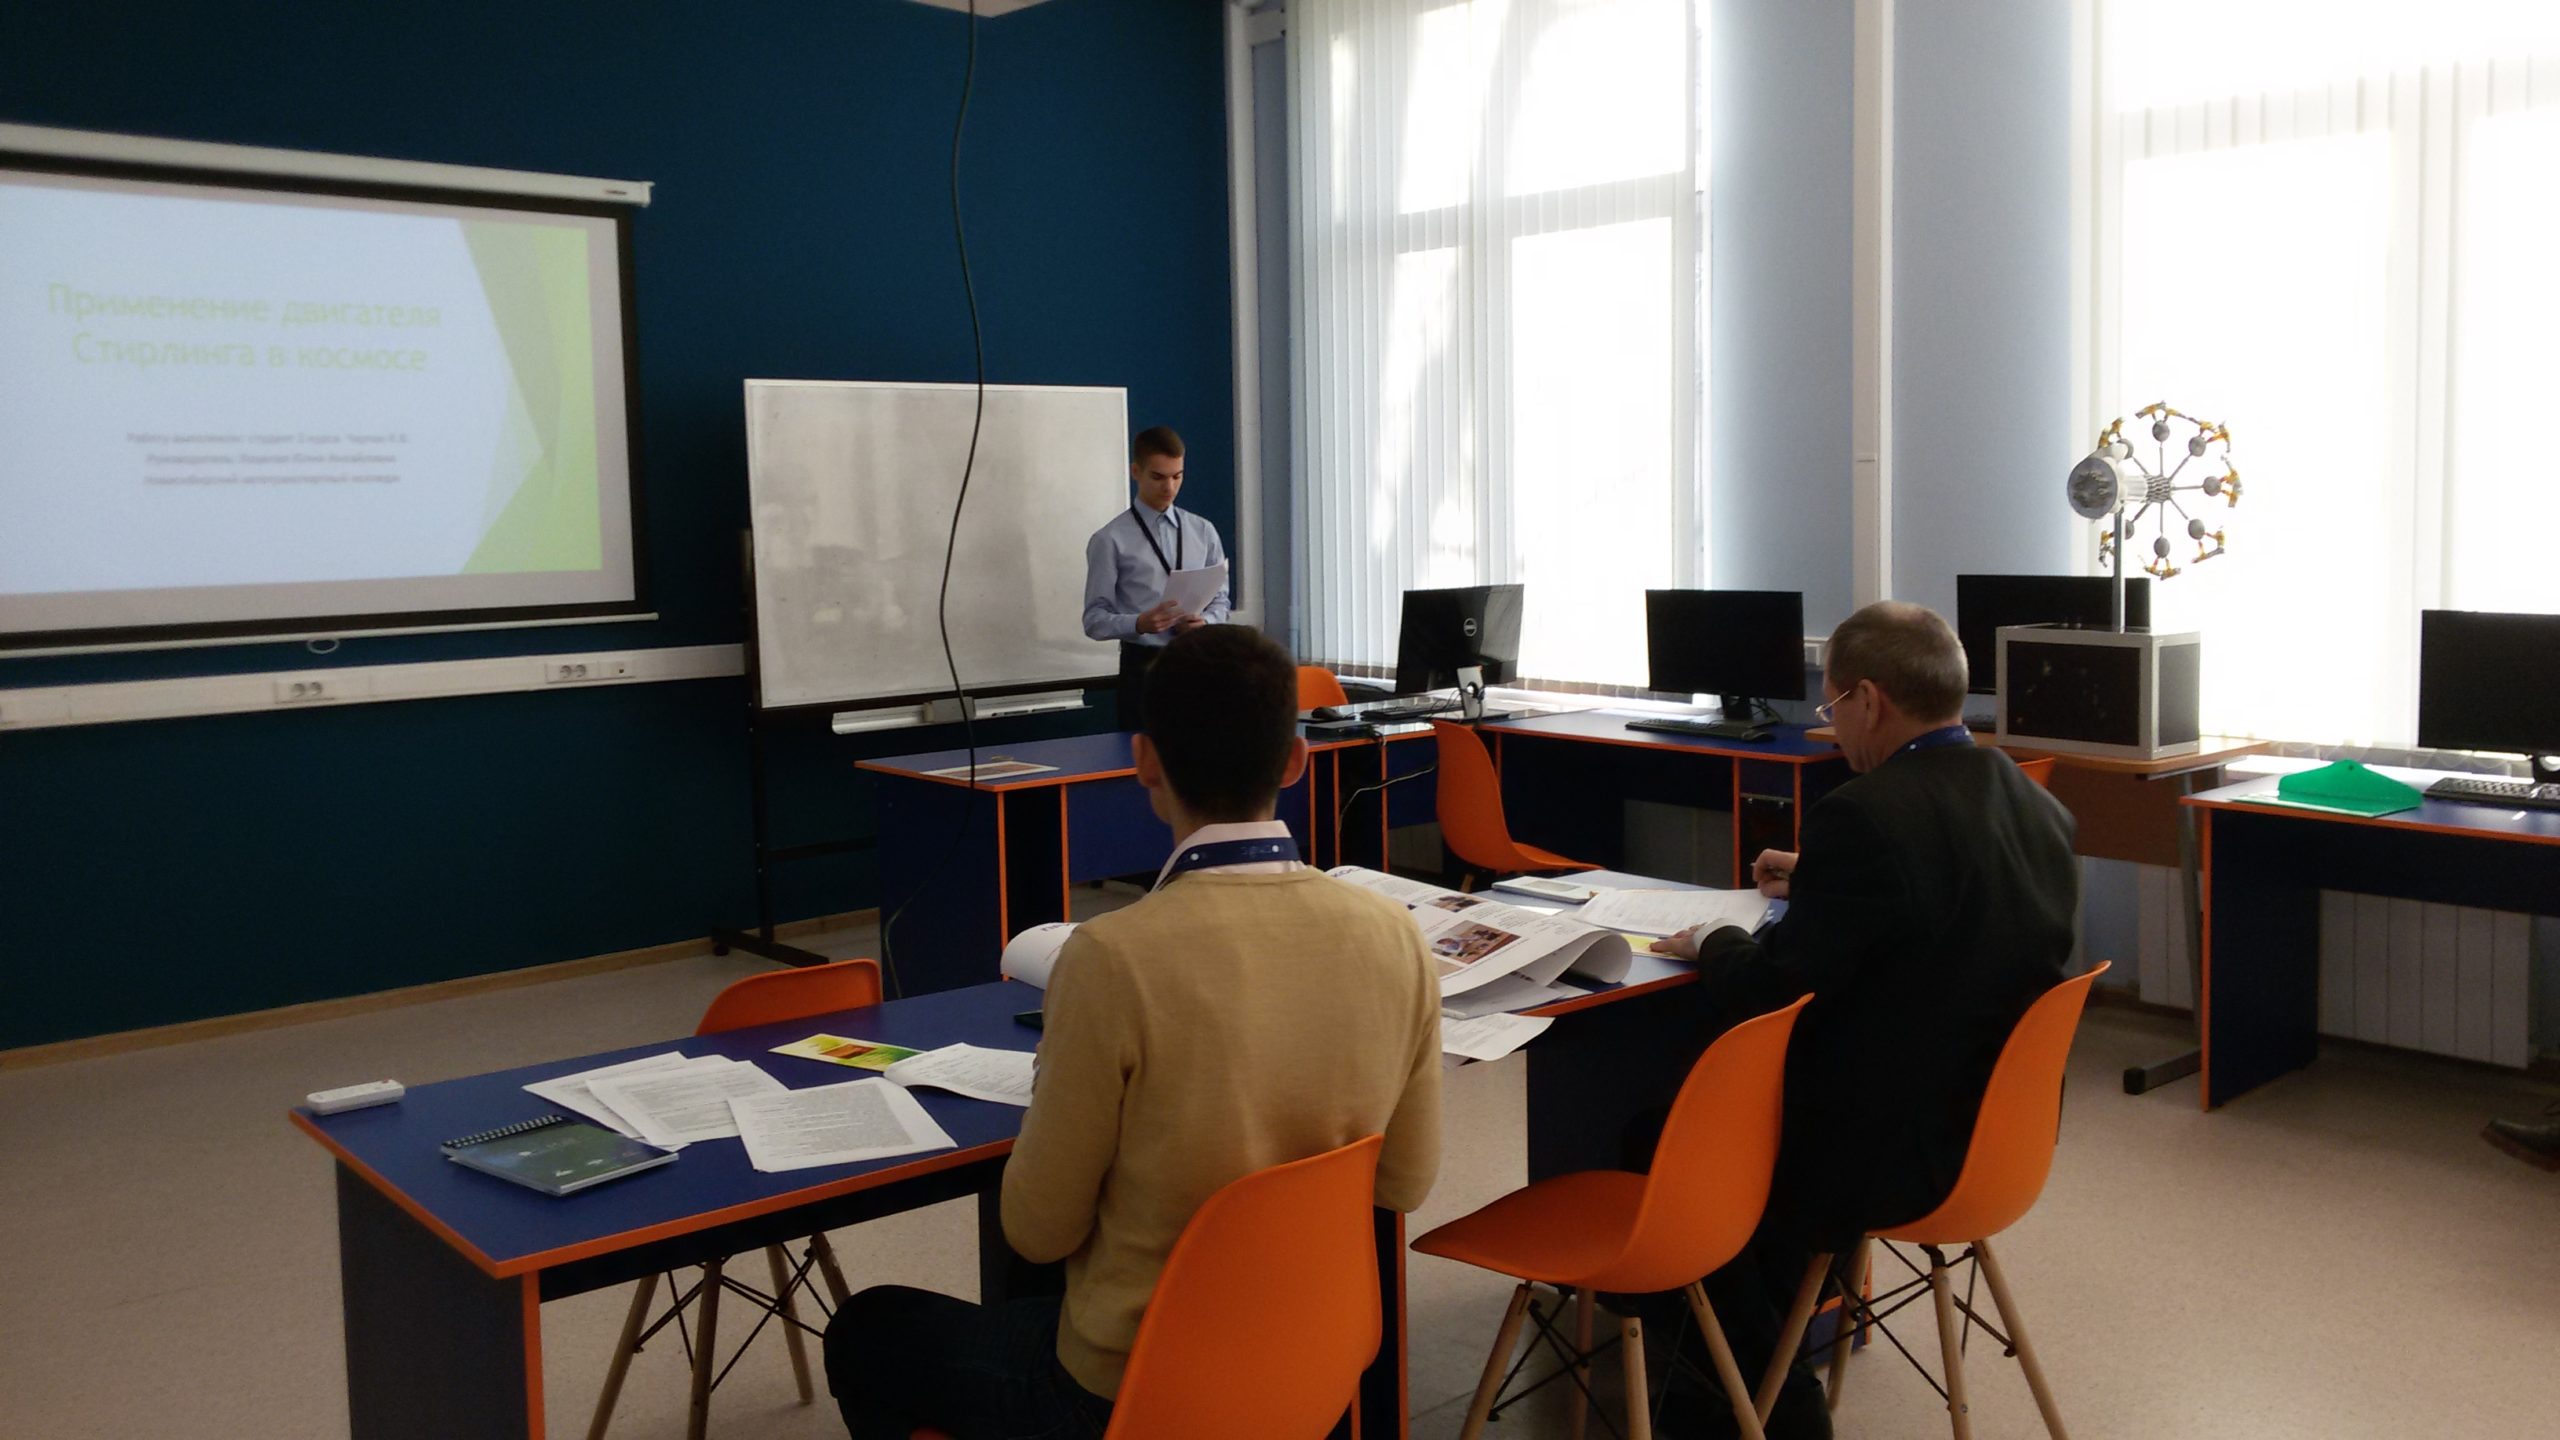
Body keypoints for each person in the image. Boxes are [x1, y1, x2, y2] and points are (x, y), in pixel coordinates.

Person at [824, 624, 1442, 1440]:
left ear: (1145, 761)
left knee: (867, 1330)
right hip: (1314, 1358)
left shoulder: (1111, 958)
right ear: (1297, 761)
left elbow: (1037, 1230)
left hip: (1131, 1387)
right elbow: (1405, 1184)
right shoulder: (1396, 935)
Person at [1640, 600, 2081, 1437]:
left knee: (1660, 1156)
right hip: (1996, 1141)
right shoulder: (2033, 804)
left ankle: (1775, 1412)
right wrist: (1820, 880)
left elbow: (1773, 990)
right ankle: (1755, 1376)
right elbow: (1949, 911)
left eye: (1833, 704)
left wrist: (1714, 939)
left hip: (1884, 1155)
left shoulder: (1865, 813)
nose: (1832, 725)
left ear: (1869, 700)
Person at [1082, 426, 1232, 730]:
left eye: (1177, 476)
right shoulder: (1109, 539)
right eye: (1158, 477)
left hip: (1196, 662)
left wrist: (1206, 622)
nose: (1170, 487)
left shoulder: (1203, 530)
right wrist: (1139, 623)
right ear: (1136, 472)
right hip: (1143, 666)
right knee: (1141, 753)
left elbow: (1221, 599)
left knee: (1199, 751)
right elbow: (1094, 620)